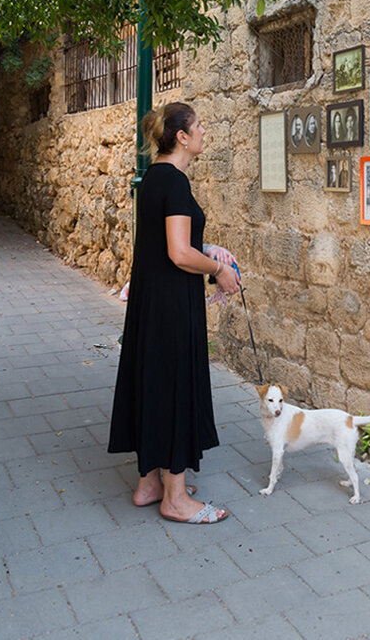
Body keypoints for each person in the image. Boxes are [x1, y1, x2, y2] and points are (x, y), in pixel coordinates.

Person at [108, 102, 240, 524]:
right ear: (181, 137)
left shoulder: (152, 181)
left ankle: (150, 484)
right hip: (170, 306)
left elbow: (171, 246)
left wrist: (207, 251)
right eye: (199, 126)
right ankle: (176, 498)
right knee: (174, 385)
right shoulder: (177, 184)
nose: (204, 132)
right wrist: (218, 269)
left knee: (153, 381)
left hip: (151, 303)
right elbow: (179, 252)